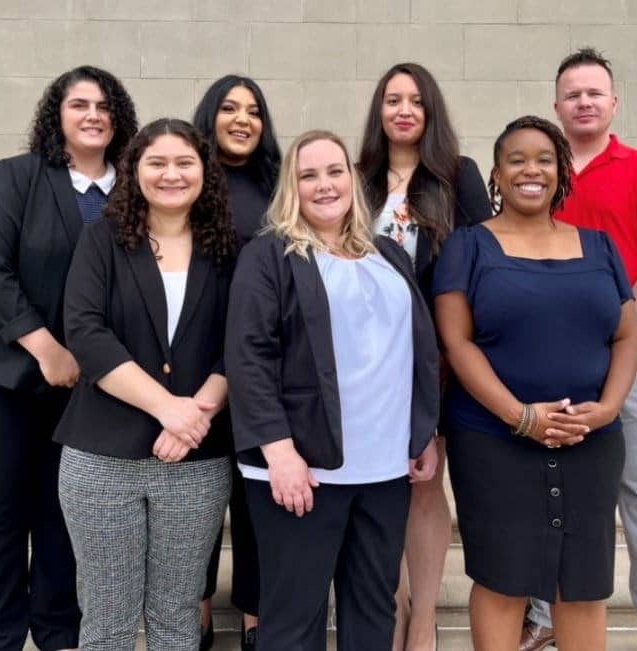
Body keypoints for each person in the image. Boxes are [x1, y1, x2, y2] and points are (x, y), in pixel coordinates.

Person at [0, 65, 137, 651]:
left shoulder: (131, 192)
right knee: (1, 511)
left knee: (63, 514)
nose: (93, 114)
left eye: (104, 105)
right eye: (79, 104)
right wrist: (45, 346)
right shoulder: (19, 177)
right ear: (57, 114)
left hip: (86, 386)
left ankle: (58, 633)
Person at [226, 130, 441, 650]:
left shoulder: (388, 254)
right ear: (291, 188)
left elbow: (412, 351)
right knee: (294, 618)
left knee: (372, 609)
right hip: (303, 469)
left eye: (335, 171)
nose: (325, 185)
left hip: (385, 468)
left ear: (352, 178)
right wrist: (279, 452)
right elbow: (248, 358)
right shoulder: (269, 256)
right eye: (309, 175)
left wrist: (422, 433)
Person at [434, 115, 637, 651]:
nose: (532, 170)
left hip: (590, 439)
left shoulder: (598, 246)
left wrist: (607, 408)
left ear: (561, 172)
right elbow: (458, 343)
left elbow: (625, 336)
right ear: (496, 177)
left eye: (545, 159)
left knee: (582, 583)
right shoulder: (468, 246)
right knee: (502, 579)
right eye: (516, 160)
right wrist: (520, 415)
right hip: (492, 440)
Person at [521, 48, 637, 651]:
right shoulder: (535, 174)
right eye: (573, 94)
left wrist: (612, 335)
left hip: (632, 356)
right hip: (548, 361)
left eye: (595, 92)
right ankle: (543, 615)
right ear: (557, 106)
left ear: (614, 103)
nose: (584, 102)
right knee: (548, 489)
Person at [54, 118, 236, 649]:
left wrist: (194, 416)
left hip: (195, 462)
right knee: (107, 621)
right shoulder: (102, 240)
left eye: (185, 162)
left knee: (178, 620)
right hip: (101, 456)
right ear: (135, 170)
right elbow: (86, 333)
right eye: (157, 162)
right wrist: (168, 409)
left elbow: (243, 345)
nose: (171, 174)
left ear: (205, 171)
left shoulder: (230, 250)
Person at [356, 61, 491, 651]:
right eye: (392, 100)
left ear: (430, 111)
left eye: (415, 101)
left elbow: (480, 258)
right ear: (379, 112)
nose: (403, 110)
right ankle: (392, 600)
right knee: (381, 483)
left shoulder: (457, 175)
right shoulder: (358, 177)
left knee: (424, 480)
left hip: (435, 353)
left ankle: (425, 614)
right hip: (366, 356)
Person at [192, 74, 282, 651]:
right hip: (192, 366)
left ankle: (255, 617)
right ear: (211, 115)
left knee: (255, 502)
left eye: (253, 111)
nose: (242, 119)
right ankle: (194, 613)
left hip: (259, 365)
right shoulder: (185, 176)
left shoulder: (277, 186)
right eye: (229, 108)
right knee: (196, 498)